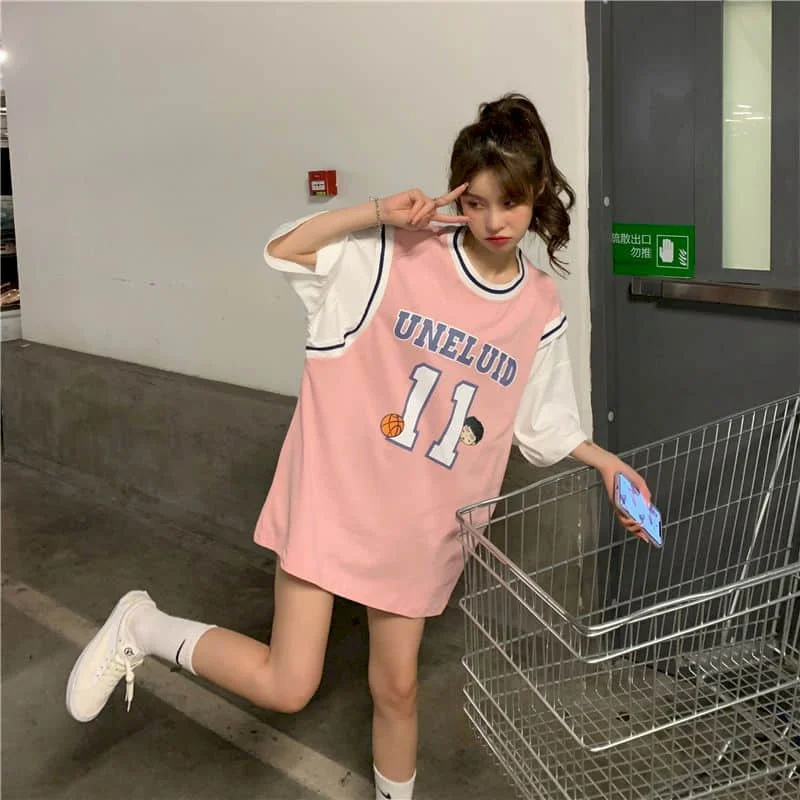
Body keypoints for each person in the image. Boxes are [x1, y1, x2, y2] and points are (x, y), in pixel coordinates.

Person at [65, 93, 651, 800]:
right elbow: (284, 249)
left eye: (512, 202)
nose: (495, 222)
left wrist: (607, 464)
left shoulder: (538, 307)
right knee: (288, 684)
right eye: (477, 203)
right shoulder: (396, 258)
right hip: (336, 499)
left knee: (397, 690)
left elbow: (544, 423)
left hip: (422, 528)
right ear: (457, 197)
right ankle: (140, 624)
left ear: (537, 197)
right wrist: (377, 213)